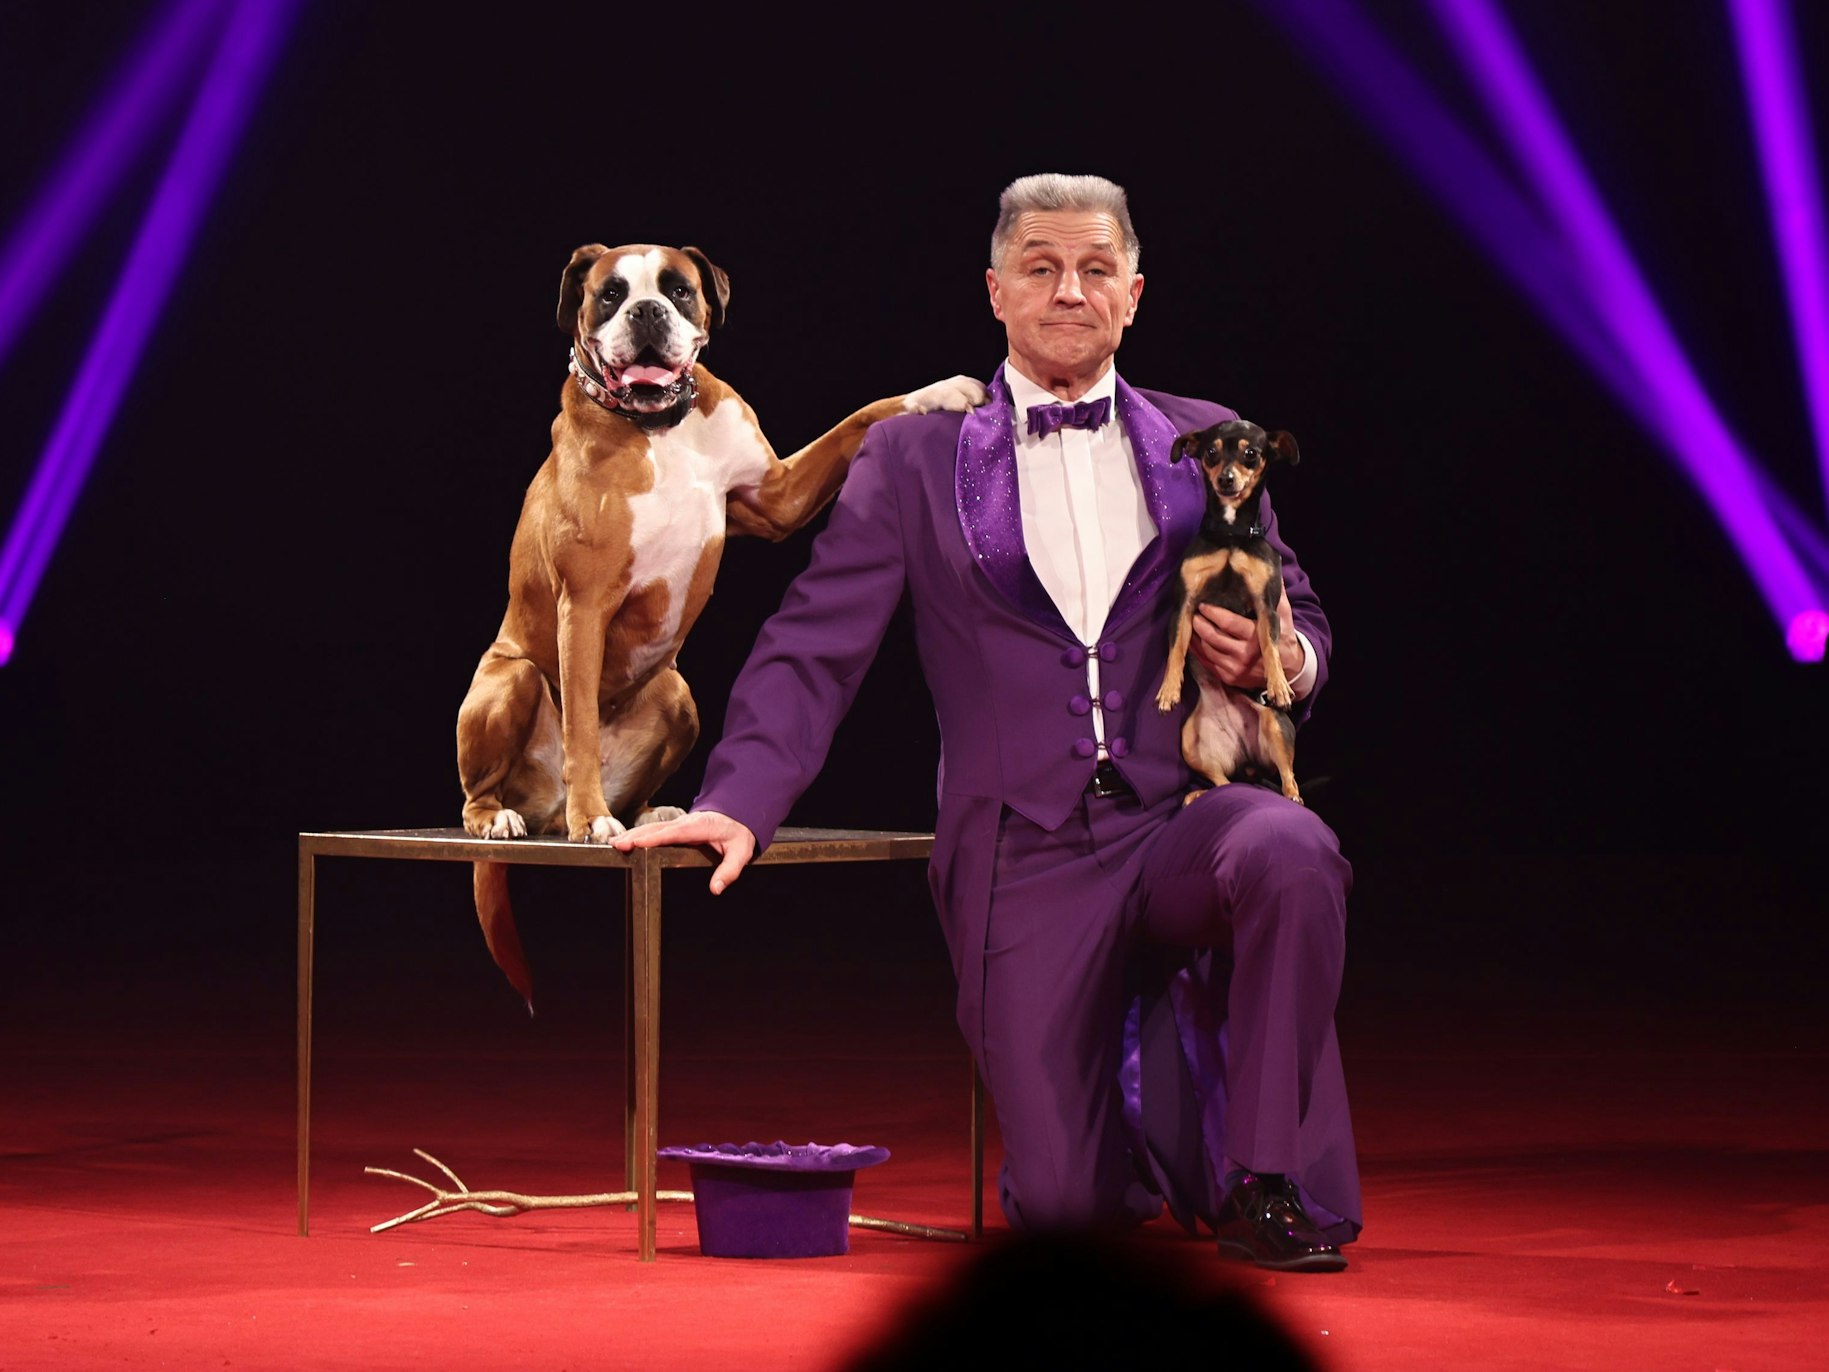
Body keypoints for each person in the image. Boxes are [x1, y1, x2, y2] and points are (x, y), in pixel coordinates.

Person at [616, 173, 1360, 1271]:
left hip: (1176, 821)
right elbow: (816, 643)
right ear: (996, 292)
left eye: (1096, 270)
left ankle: (1265, 1176)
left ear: (1134, 294)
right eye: (1042, 269)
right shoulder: (915, 460)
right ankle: (1130, 1124)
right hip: (1028, 850)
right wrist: (736, 802)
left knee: (1292, 847)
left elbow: (1296, 607)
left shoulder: (1209, 444)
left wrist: (1282, 656)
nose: (1070, 291)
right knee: (1064, 1213)